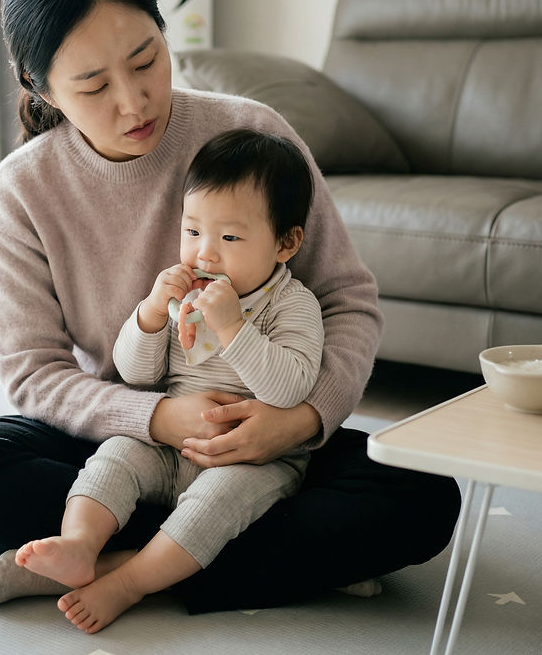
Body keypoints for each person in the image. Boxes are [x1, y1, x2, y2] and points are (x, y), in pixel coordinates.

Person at [0, 0, 460, 619]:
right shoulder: (22, 190)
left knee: (423, 492)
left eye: (147, 61)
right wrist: (158, 416)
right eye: (94, 85)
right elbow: (33, 373)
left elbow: (347, 299)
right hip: (121, 433)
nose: (134, 102)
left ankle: (127, 567)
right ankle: (216, 562)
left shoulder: (250, 134)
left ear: (166, 35)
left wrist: (298, 420)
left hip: (256, 438)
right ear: (40, 87)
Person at [17, 128, 326, 632]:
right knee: (115, 453)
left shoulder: (292, 304)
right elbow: (136, 374)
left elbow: (288, 389)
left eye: (229, 238)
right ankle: (80, 544)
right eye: (192, 232)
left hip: (255, 461)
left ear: (286, 243)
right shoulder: (181, 294)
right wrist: (151, 314)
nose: (205, 253)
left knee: (214, 503)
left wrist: (232, 326)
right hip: (169, 448)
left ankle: (128, 581)